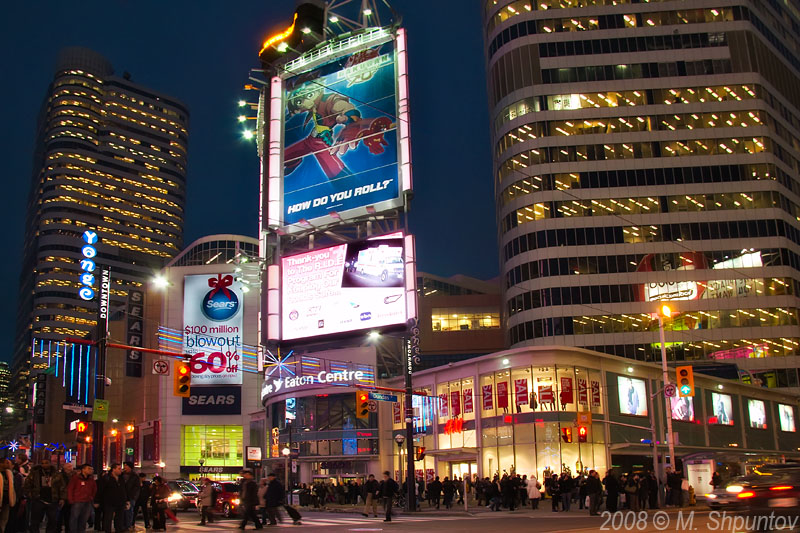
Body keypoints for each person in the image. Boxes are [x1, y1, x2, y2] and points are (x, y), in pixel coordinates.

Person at [24, 457, 59, 532]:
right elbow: (27, 483)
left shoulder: (56, 473)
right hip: (38, 498)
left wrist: (62, 498)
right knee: (35, 520)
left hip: (52, 499)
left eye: (46, 463)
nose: (44, 465)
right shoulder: (35, 472)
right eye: (42, 463)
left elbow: (61, 486)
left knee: (52, 520)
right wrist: (30, 494)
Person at [95, 463, 128, 533]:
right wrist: (97, 501)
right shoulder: (106, 478)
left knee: (119, 519)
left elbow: (124, 489)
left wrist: (127, 500)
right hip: (109, 501)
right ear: (114, 469)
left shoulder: (121, 478)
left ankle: (118, 530)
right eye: (119, 469)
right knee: (108, 518)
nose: (120, 470)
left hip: (120, 501)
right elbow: (100, 490)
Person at [67, 464, 96, 533]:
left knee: (84, 519)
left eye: (91, 469)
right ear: (83, 469)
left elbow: (94, 489)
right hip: (77, 501)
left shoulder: (91, 479)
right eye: (88, 468)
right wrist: (71, 499)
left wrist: (91, 497)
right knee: (74, 518)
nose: (90, 470)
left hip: (87, 501)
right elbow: (70, 489)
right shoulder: (76, 478)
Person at [52, 462, 75, 533]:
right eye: (68, 467)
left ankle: (68, 529)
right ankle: (58, 529)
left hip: (70, 498)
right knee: (59, 515)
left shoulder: (74, 475)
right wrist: (59, 497)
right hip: (61, 498)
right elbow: (56, 486)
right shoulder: (59, 475)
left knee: (68, 515)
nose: (70, 468)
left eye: (71, 466)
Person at [121, 462, 140, 531]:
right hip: (122, 496)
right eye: (124, 466)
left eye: (126, 466)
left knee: (129, 512)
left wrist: (133, 497)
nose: (125, 467)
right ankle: (122, 525)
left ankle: (128, 525)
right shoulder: (121, 475)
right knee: (122, 511)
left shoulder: (134, 476)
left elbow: (137, 487)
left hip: (130, 497)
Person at [0, 458, 17, 532]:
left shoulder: (9, 473)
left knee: (4, 519)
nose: (9, 464)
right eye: (6, 463)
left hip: (6, 500)